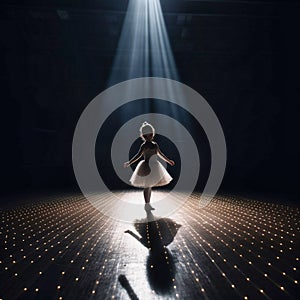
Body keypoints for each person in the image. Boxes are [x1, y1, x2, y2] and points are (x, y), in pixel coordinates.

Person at [124, 122, 175, 210]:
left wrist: (168, 160)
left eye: (152, 134)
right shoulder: (144, 145)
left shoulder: (155, 144)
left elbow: (160, 154)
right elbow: (138, 155)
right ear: (144, 136)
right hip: (146, 167)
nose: (151, 136)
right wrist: (130, 162)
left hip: (155, 165)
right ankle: (147, 204)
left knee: (149, 186)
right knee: (147, 186)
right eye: (148, 134)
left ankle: (148, 203)